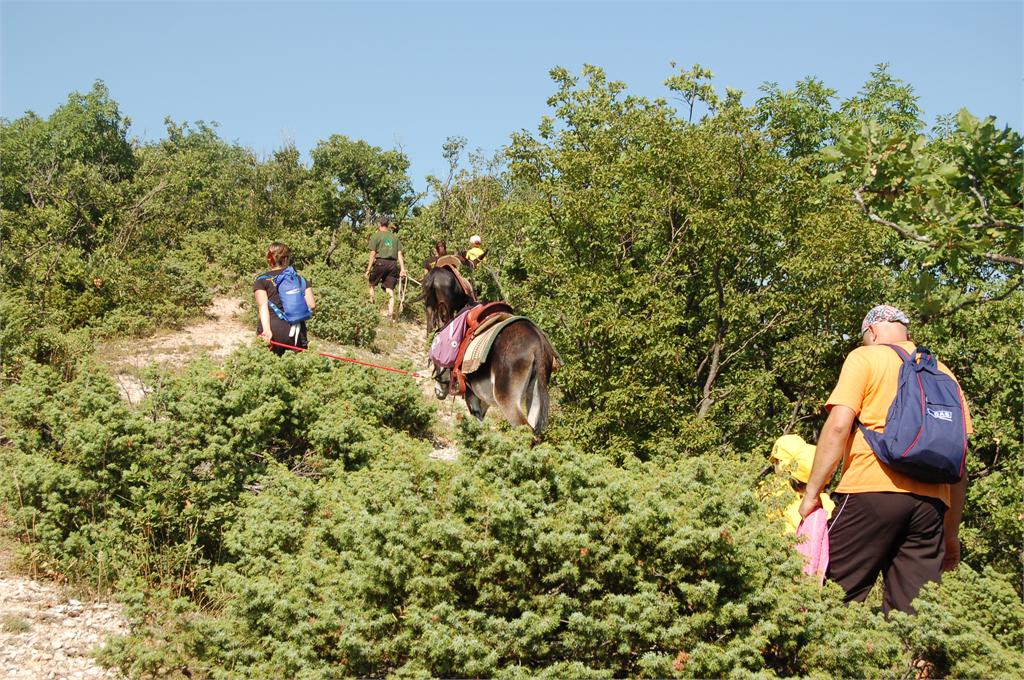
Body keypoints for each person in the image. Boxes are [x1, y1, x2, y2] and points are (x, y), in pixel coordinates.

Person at [798, 305, 971, 614]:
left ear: (873, 331)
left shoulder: (865, 357)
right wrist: (951, 534)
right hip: (931, 506)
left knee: (830, 601)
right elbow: (959, 461)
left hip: (870, 490)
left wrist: (813, 493)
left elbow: (838, 426)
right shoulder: (945, 374)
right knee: (914, 617)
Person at [253, 242, 315, 356]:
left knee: (267, 364)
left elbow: (263, 305)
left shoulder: (262, 280)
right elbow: (312, 305)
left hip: (272, 330)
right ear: (286, 259)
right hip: (297, 332)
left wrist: (266, 330)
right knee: (297, 365)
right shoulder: (300, 279)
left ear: (269, 259)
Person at [365, 218, 406, 320]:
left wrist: (368, 269)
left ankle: (371, 310)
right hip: (393, 264)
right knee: (389, 289)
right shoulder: (395, 237)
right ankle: (390, 314)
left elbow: (372, 253)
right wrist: (402, 269)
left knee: (371, 284)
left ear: (379, 224)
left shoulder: (376, 236)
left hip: (380, 262)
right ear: (388, 225)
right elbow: (399, 254)